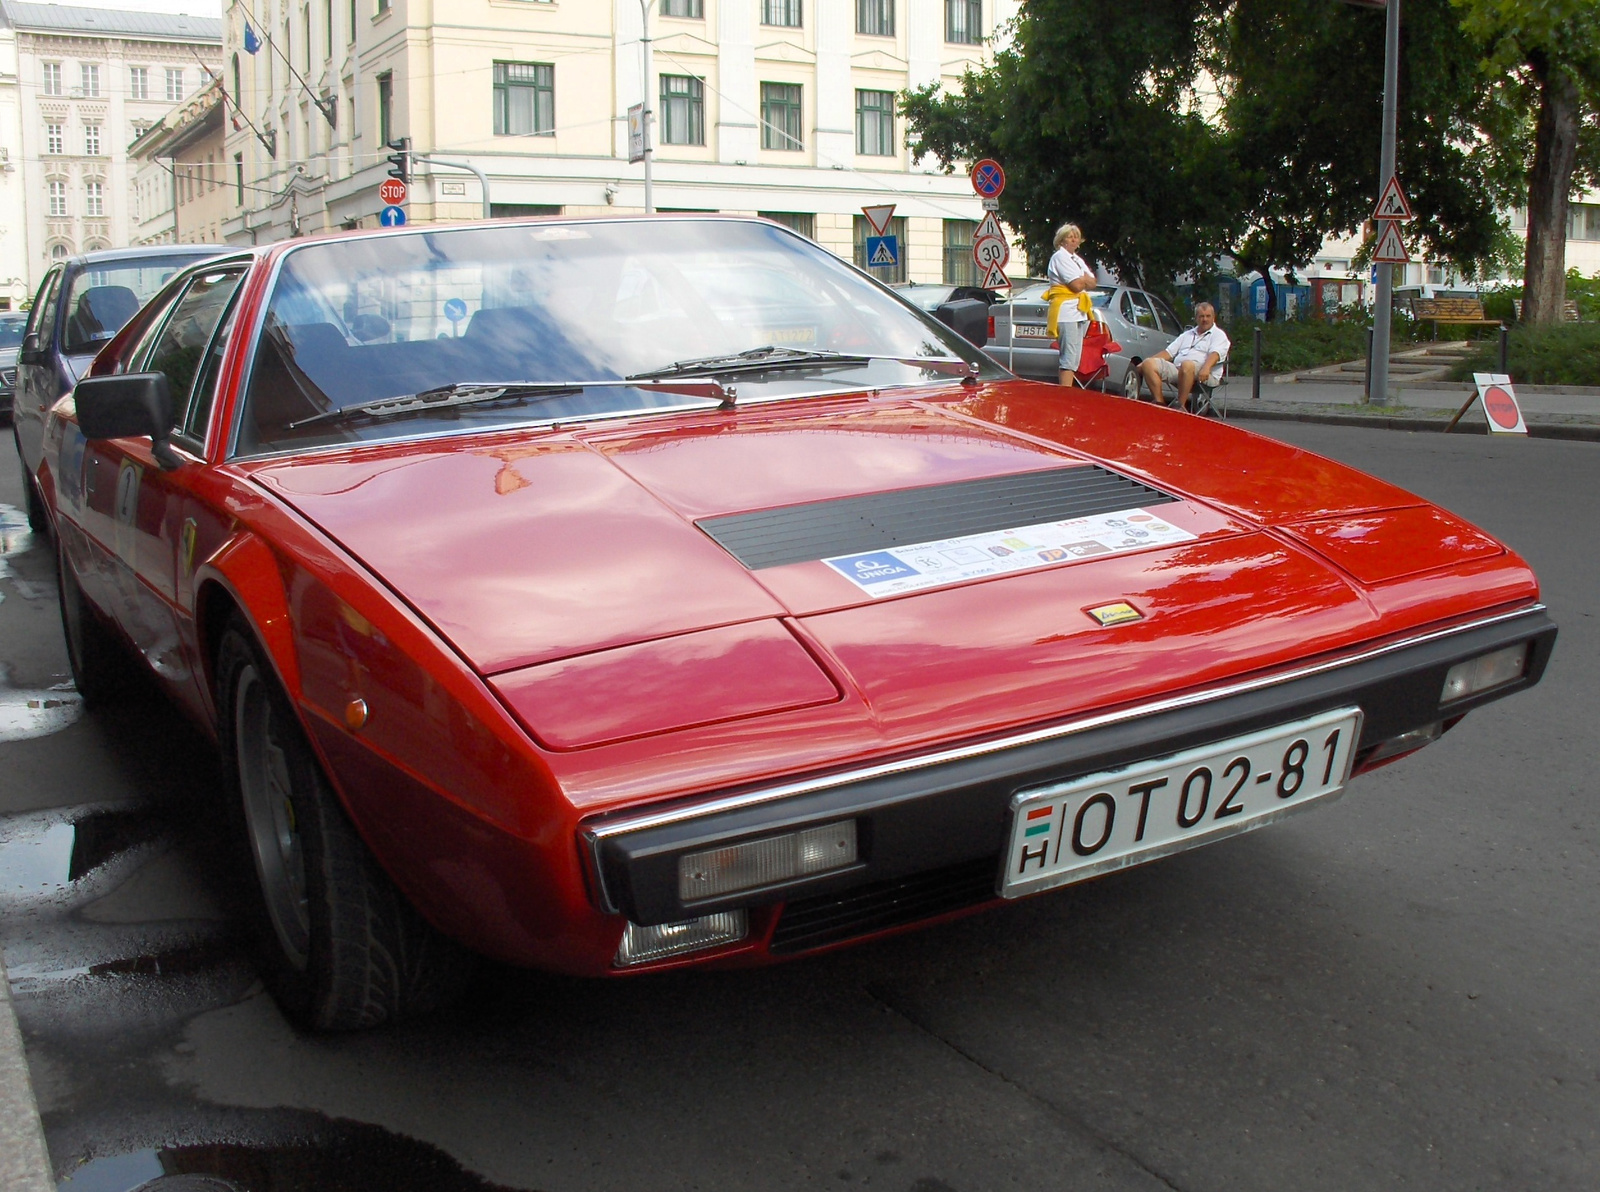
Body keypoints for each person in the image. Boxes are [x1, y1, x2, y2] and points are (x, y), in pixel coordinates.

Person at [1136, 301, 1229, 412]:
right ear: (1196, 318)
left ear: (1213, 317)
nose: (1205, 319)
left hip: (1206, 373)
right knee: (1149, 363)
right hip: (1179, 370)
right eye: (1201, 316)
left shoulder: (1218, 335)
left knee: (1187, 364)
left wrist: (1206, 368)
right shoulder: (1187, 334)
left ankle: (1180, 406)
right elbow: (1168, 353)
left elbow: (1216, 354)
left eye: (1208, 316)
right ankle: (1160, 404)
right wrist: (1144, 363)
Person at [1044, 224, 1096, 387]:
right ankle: (1065, 393)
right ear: (1061, 239)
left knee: (1074, 358)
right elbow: (1077, 285)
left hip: (1078, 312)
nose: (1074, 239)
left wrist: (1084, 280)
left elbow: (1092, 282)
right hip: (1066, 312)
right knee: (1068, 358)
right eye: (1069, 236)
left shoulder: (1077, 259)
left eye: (1076, 236)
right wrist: (1083, 279)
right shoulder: (1060, 257)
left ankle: (1068, 391)